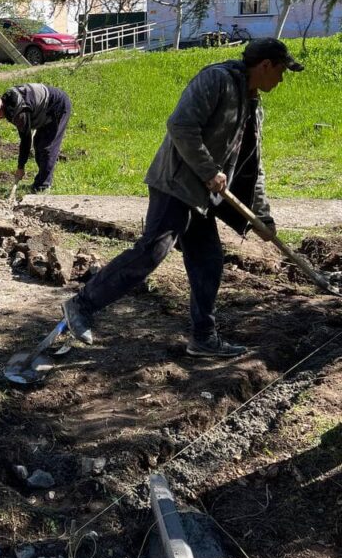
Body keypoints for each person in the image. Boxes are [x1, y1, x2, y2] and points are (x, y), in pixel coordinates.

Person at [62, 37, 304, 358]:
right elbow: (180, 125)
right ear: (265, 65)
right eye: (282, 71)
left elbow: (252, 169)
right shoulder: (216, 80)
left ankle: (203, 337)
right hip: (175, 184)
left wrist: (262, 216)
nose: (282, 79)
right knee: (152, 251)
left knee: (209, 263)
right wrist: (208, 170)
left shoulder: (253, 107)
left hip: (202, 198)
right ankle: (81, 304)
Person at [0, 83, 71, 193]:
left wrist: (21, 167)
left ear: (1, 106)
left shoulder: (17, 111)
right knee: (38, 144)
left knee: (47, 148)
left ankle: (43, 186)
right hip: (44, 110)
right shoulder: (8, 101)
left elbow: (25, 140)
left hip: (58, 106)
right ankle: (41, 181)